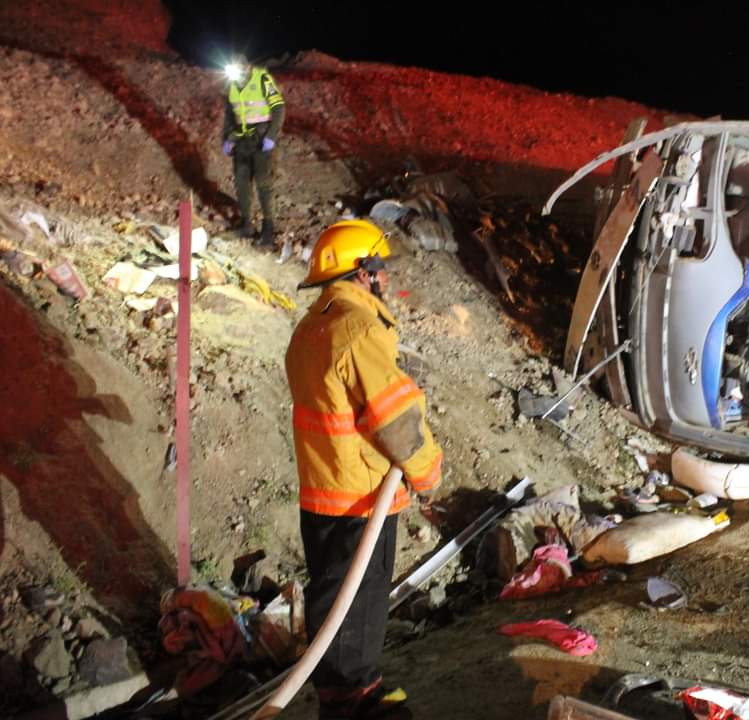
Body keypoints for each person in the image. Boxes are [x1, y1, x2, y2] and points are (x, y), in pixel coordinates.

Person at [285, 220, 443, 719]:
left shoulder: (312, 329)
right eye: (378, 271)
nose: (383, 281)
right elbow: (397, 421)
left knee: (344, 600)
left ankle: (351, 694)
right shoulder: (357, 330)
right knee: (355, 603)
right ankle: (353, 705)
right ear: (364, 273)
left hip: (327, 493)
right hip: (359, 500)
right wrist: (429, 474)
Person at [222, 55, 285, 246]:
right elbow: (230, 115)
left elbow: (279, 108)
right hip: (242, 141)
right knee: (241, 183)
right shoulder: (231, 84)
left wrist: (271, 136)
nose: (240, 72)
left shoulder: (262, 79)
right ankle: (247, 225)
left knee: (263, 184)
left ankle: (268, 230)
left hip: (261, 139)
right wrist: (228, 138)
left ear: (248, 66)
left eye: (242, 68)